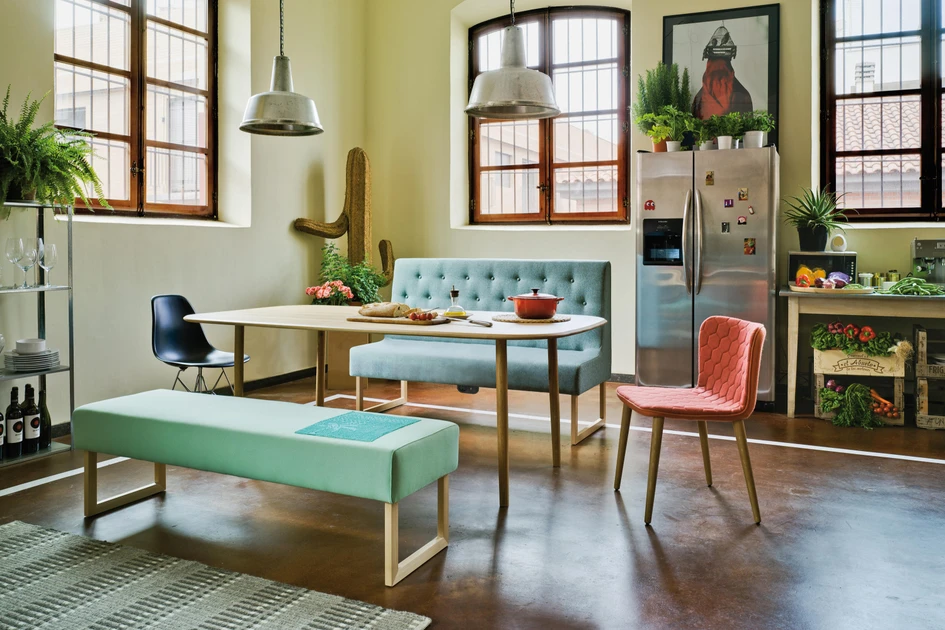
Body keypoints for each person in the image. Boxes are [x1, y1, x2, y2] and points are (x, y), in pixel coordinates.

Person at [692, 25, 753, 119]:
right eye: (713, 73)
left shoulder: (698, 99)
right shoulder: (743, 95)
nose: (718, 79)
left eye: (722, 72)